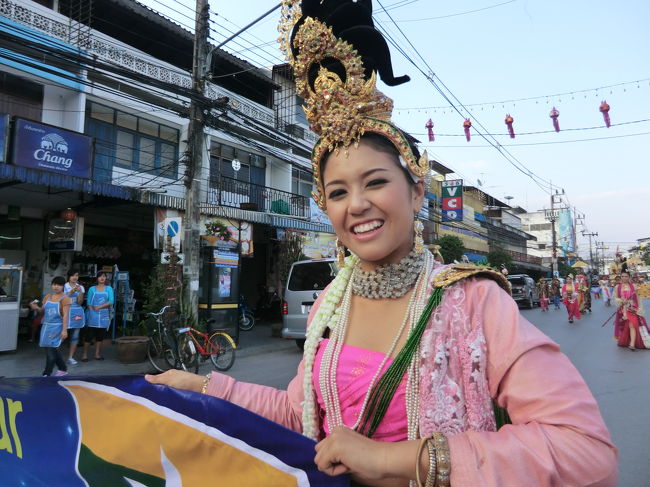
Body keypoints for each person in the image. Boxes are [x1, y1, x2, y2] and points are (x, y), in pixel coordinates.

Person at [147, 2, 617, 485]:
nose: (356, 205)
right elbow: (299, 416)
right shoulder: (331, 302)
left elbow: (583, 448)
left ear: (416, 192)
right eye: (337, 192)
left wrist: (394, 459)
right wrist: (201, 387)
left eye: (374, 182)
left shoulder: (473, 301)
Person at [29, 276, 69, 376]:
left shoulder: (65, 299)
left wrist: (64, 330)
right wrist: (35, 307)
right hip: (46, 327)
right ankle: (63, 369)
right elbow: (42, 311)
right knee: (53, 349)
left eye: (59, 285)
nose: (56, 287)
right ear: (51, 285)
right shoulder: (47, 297)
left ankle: (47, 373)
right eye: (54, 284)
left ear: (63, 286)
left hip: (57, 327)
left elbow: (65, 316)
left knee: (50, 351)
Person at [81, 271, 113, 361]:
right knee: (89, 335)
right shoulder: (92, 289)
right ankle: (84, 355)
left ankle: (97, 354)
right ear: (97, 278)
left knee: (100, 336)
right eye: (100, 276)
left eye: (104, 276)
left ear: (106, 278)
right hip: (93, 314)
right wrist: (91, 311)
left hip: (104, 314)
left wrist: (100, 306)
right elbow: (88, 302)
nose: (102, 278)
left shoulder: (109, 289)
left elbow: (111, 301)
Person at [613, 271, 650, 351]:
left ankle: (632, 344)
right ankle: (629, 342)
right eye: (622, 276)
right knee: (628, 326)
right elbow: (615, 298)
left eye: (626, 276)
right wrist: (621, 301)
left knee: (632, 324)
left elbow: (638, 298)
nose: (624, 278)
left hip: (632, 308)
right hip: (623, 309)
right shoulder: (617, 287)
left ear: (629, 277)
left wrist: (639, 308)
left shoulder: (634, 286)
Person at [64, 268, 86, 365]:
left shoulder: (80, 287)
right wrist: (72, 292)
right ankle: (54, 356)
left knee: (75, 336)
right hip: (65, 312)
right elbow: (62, 299)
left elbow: (80, 302)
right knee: (61, 335)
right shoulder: (64, 286)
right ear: (69, 276)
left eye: (76, 275)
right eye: (73, 275)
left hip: (77, 313)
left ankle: (70, 357)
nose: (75, 277)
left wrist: (80, 292)